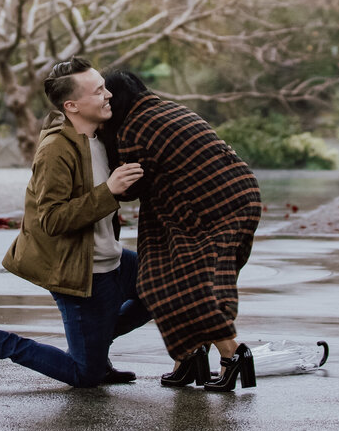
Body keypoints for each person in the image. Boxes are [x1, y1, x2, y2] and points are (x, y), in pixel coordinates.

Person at [0, 58, 149, 388]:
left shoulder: (101, 138)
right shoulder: (56, 150)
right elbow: (52, 219)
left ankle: (95, 347)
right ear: (72, 105)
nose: (108, 94)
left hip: (110, 259)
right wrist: (109, 191)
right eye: (98, 91)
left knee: (164, 290)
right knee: (85, 376)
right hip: (80, 271)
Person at [102, 70, 261, 392]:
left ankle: (233, 356)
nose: (104, 105)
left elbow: (130, 188)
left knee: (187, 286)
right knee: (165, 276)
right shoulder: (163, 109)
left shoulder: (135, 128)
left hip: (214, 207)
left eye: (106, 98)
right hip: (231, 198)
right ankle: (188, 357)